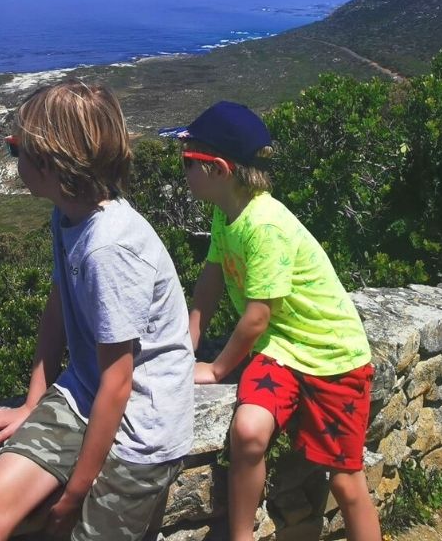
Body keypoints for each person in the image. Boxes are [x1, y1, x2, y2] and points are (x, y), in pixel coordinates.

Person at [0, 79, 194, 541]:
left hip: (140, 428)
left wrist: (73, 493)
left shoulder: (108, 248)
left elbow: (120, 382)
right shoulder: (68, 214)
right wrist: (33, 403)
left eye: (15, 149)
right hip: (85, 393)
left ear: (47, 162)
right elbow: (58, 302)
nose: (14, 158)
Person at [161, 101, 381, 541]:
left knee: (345, 480)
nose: (182, 171)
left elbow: (257, 317)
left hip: (332, 356)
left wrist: (217, 369)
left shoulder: (264, 226)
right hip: (279, 350)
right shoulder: (229, 214)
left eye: (188, 162)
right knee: (248, 432)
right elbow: (212, 280)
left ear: (219, 169)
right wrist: (185, 344)